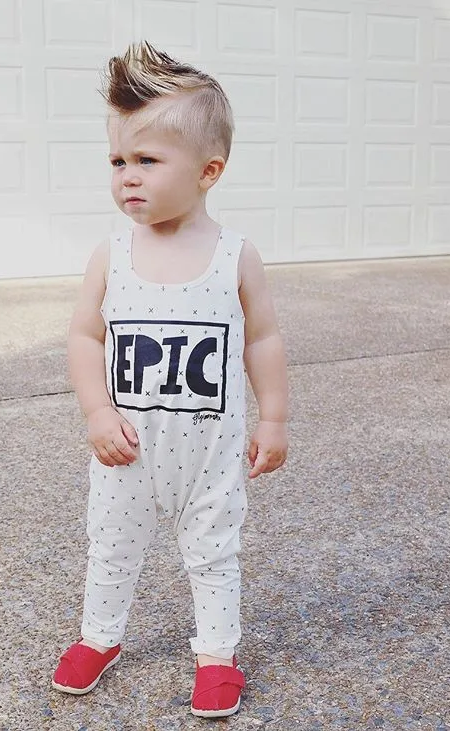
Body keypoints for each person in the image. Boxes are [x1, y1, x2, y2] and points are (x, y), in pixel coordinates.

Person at [52, 41, 288, 718]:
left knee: (215, 554)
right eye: (118, 160)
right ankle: (101, 634)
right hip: (128, 446)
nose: (127, 176)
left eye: (147, 160)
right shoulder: (112, 253)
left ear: (209, 169)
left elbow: (265, 338)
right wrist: (97, 412)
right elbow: (84, 334)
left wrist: (273, 417)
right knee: (112, 545)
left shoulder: (235, 256)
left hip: (210, 451)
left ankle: (217, 652)